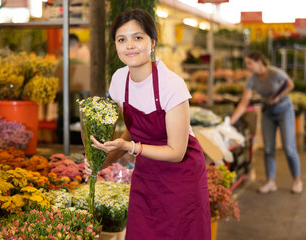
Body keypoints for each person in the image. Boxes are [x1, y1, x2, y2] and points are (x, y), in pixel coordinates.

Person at [88, 8, 211, 240]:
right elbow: (132, 132)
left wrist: (129, 148)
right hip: (147, 174)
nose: (130, 45)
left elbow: (176, 152)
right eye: (121, 39)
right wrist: (103, 161)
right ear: (115, 45)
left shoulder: (171, 85)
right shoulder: (118, 81)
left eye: (138, 37)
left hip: (181, 175)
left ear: (152, 42)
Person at [230, 51, 302, 194]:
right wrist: (230, 121)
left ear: (259, 62)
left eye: (250, 63)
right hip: (268, 113)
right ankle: (270, 182)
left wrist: (278, 96)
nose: (248, 66)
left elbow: (290, 84)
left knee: (289, 148)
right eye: (247, 64)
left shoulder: (275, 73)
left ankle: (297, 180)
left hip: (284, 111)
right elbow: (244, 102)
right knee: (268, 148)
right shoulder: (252, 79)